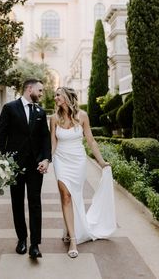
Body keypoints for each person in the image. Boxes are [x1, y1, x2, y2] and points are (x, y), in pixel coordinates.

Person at [50, 87, 116, 259]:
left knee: (75, 196)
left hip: (78, 161)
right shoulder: (54, 118)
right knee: (65, 196)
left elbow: (91, 141)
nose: (55, 97)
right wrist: (46, 160)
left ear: (66, 97)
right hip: (61, 160)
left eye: (58, 94)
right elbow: (53, 144)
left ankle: (68, 229)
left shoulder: (83, 116)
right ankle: (73, 240)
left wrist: (101, 162)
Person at [0, 78, 51, 259]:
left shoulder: (40, 112)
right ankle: (21, 240)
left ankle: (35, 245)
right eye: (40, 90)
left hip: (35, 167)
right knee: (17, 204)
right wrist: (0, 163)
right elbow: (1, 136)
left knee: (35, 203)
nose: (42, 94)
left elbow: (45, 139)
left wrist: (46, 159)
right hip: (15, 166)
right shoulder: (10, 108)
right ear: (29, 89)